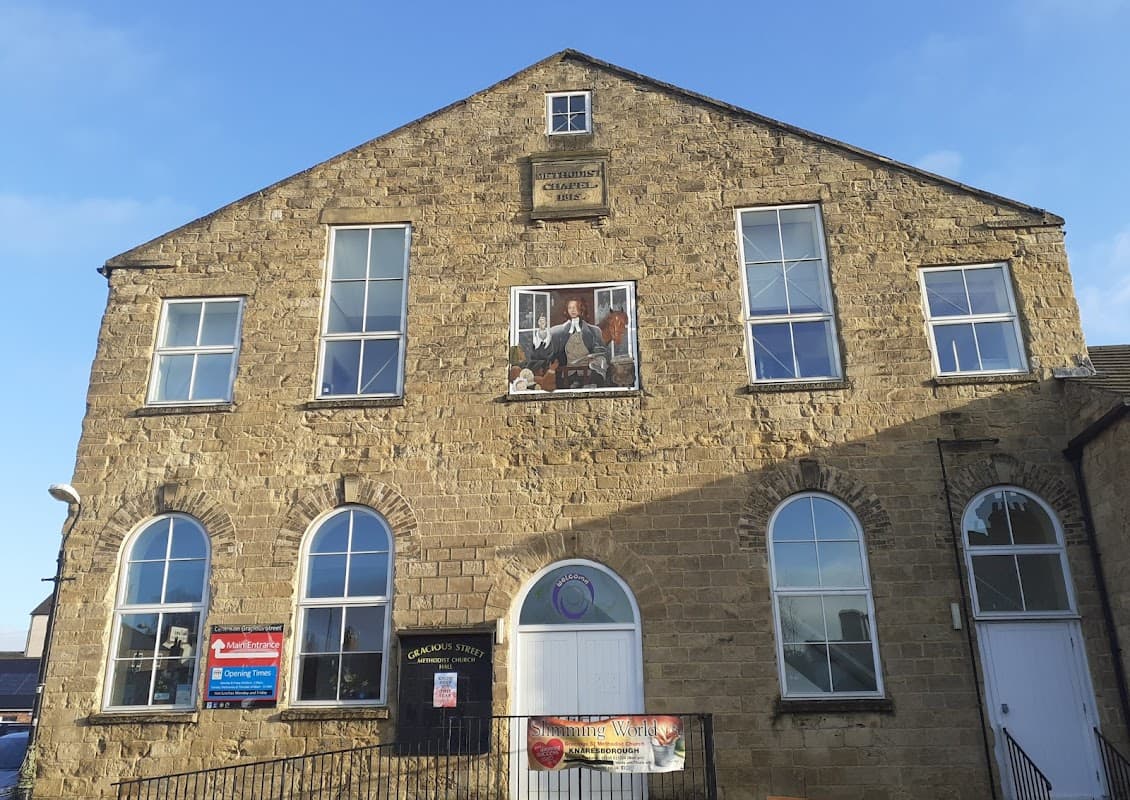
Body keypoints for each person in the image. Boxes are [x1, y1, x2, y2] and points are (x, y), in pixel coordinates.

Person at [549, 298, 608, 388]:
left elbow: (600, 350)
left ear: (581, 309)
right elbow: (553, 354)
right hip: (567, 368)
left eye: (576, 307)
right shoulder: (557, 332)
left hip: (588, 367)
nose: (573, 310)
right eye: (570, 307)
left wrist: (594, 357)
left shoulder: (594, 331)